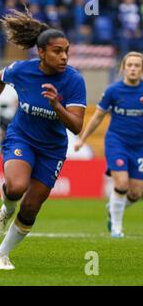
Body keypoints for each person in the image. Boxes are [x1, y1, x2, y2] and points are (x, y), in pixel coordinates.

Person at [0, 10, 86, 270]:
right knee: (16, 188)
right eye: (57, 51)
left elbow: (76, 126)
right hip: (22, 138)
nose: (63, 56)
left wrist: (56, 104)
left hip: (52, 150)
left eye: (66, 51)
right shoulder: (22, 70)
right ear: (41, 52)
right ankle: (5, 210)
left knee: (30, 207)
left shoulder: (73, 80)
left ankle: (1, 255)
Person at [74, 51, 143, 238]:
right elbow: (97, 117)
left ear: (141, 69)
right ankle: (116, 228)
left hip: (139, 147)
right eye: (130, 65)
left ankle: (112, 206)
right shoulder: (113, 91)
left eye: (137, 65)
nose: (133, 69)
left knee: (136, 193)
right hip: (117, 142)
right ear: (123, 68)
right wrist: (82, 139)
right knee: (121, 184)